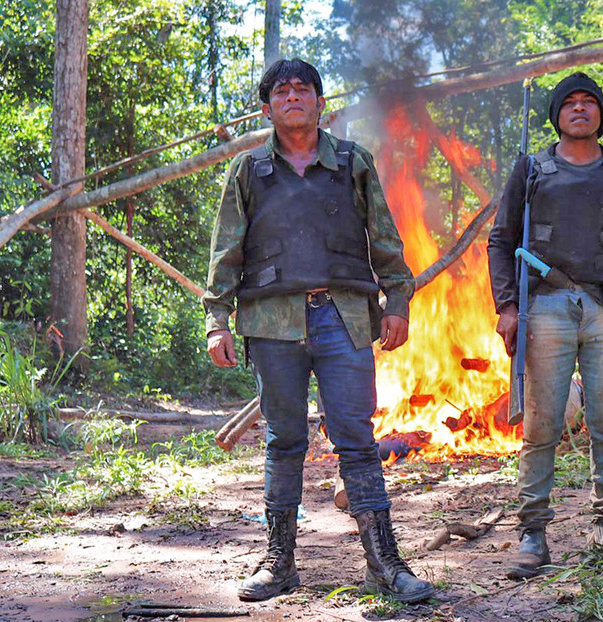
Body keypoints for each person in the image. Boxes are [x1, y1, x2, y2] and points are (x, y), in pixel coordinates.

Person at [202, 59, 434, 604]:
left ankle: (386, 565)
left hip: (344, 317)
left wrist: (397, 299)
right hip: (271, 321)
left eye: (302, 89)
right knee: (285, 440)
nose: (292, 97)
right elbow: (226, 251)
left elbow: (385, 237)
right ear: (266, 108)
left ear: (320, 102)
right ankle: (278, 564)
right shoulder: (248, 171)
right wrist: (217, 321)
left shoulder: (353, 163)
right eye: (280, 91)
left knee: (356, 440)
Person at [488, 72, 603, 580]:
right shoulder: (532, 169)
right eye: (571, 103)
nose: (581, 109)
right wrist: (506, 306)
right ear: (556, 114)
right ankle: (533, 531)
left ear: (601, 114)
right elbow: (501, 242)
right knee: (542, 424)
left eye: (591, 102)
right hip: (544, 307)